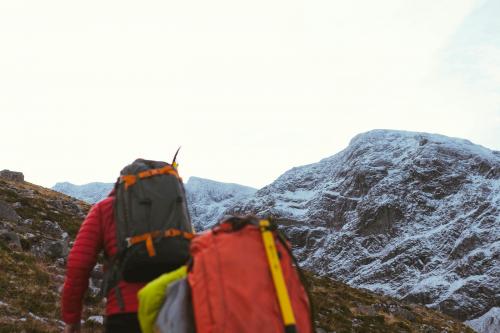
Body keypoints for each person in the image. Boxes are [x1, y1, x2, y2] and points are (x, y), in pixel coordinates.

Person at [61, 189, 145, 333]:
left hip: (125, 310)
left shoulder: (106, 207)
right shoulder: (176, 210)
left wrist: (72, 316)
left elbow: (78, 265)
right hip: (174, 311)